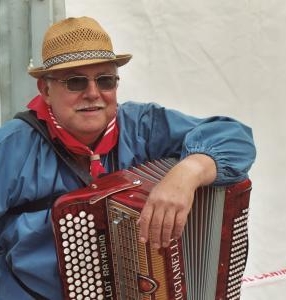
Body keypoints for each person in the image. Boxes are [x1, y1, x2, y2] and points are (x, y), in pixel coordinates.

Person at [0, 16, 256, 299]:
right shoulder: (13, 145)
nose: (93, 93)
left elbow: (234, 136)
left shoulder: (141, 125)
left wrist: (188, 172)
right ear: (46, 90)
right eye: (75, 82)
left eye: (106, 80)